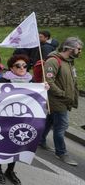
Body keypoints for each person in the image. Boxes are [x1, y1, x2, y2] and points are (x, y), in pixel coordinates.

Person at [40, 37, 82, 166]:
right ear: (69, 49)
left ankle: (40, 141)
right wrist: (62, 94)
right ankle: (61, 152)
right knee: (61, 127)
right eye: (78, 49)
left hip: (64, 100)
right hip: (57, 101)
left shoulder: (69, 62)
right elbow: (48, 81)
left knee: (49, 121)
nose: (80, 51)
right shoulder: (53, 61)